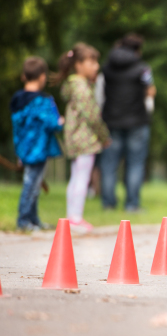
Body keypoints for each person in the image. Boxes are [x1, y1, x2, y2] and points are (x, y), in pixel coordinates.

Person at [53, 43, 111, 233]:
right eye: (91, 62)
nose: (96, 66)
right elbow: (93, 116)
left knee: (76, 177)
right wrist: (104, 136)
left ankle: (72, 218)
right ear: (78, 64)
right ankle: (75, 219)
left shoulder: (74, 86)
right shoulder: (82, 89)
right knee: (82, 178)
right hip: (85, 139)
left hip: (75, 137)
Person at [99, 34, 156, 212]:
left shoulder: (106, 68)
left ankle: (108, 204)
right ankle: (132, 204)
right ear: (137, 50)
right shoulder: (142, 69)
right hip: (137, 122)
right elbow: (151, 91)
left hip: (111, 122)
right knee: (135, 164)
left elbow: (100, 92)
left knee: (109, 164)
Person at [10, 57, 63, 231]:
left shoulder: (17, 100)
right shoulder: (43, 101)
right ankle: (24, 221)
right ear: (42, 77)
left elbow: (17, 126)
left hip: (23, 148)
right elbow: (52, 123)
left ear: (24, 76)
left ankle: (33, 219)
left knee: (33, 183)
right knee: (31, 185)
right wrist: (61, 121)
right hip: (39, 148)